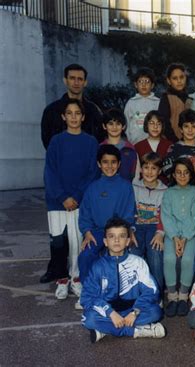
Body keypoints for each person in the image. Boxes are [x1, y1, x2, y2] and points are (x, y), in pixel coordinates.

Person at [41, 99, 99, 301]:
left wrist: (76, 197)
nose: (74, 117)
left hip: (79, 202)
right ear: (63, 117)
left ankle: (76, 278)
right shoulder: (56, 141)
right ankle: (61, 279)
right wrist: (63, 197)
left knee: (77, 242)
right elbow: (50, 172)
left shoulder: (91, 142)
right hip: (57, 202)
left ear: (83, 117)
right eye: (69, 113)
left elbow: (93, 172)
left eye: (77, 113)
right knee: (59, 242)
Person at [81, 217, 166, 343]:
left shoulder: (138, 263)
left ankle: (105, 330)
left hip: (132, 311)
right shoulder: (98, 266)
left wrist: (135, 312)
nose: (116, 240)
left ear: (127, 241)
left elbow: (151, 291)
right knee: (88, 319)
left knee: (155, 312)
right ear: (105, 241)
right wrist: (110, 312)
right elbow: (87, 297)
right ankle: (137, 331)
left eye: (121, 236)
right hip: (109, 313)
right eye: (111, 236)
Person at [78, 145, 136, 291]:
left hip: (118, 232)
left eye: (113, 162)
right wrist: (87, 232)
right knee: (85, 256)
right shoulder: (92, 188)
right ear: (99, 164)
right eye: (105, 162)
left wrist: (127, 231)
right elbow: (85, 213)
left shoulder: (126, 187)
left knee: (121, 255)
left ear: (119, 164)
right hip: (97, 231)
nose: (109, 166)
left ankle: (121, 291)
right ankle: (88, 293)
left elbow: (129, 213)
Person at [162, 158, 195, 317]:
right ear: (174, 174)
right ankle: (172, 296)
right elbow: (166, 216)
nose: (182, 176)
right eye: (179, 172)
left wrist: (184, 238)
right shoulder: (169, 192)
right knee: (169, 259)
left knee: (187, 260)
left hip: (190, 234)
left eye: (186, 173)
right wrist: (174, 237)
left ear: (191, 174)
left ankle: (184, 296)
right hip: (171, 235)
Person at [41, 64, 103, 148]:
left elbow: (100, 139)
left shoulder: (94, 111)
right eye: (72, 78)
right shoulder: (51, 110)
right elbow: (47, 141)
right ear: (65, 80)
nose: (76, 82)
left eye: (80, 79)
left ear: (85, 82)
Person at [131, 152, 167, 291]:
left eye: (154, 168)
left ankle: (156, 292)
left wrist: (160, 233)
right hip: (137, 228)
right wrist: (130, 230)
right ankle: (134, 292)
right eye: (146, 167)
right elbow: (129, 211)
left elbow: (165, 214)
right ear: (141, 169)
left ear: (159, 171)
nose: (149, 172)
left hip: (155, 227)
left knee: (155, 252)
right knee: (133, 253)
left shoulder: (165, 190)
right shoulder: (134, 188)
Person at [162, 109, 195, 190]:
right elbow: (168, 171)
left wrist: (180, 171)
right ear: (181, 129)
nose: (190, 130)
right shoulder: (173, 148)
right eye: (186, 126)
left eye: (193, 126)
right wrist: (193, 168)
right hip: (177, 194)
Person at [134, 110, 173, 185]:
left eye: (159, 124)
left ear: (163, 126)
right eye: (152, 123)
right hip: (143, 187)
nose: (155, 127)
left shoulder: (170, 145)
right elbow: (136, 173)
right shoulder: (138, 146)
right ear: (146, 125)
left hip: (165, 188)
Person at [124, 67, 160, 144]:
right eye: (140, 82)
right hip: (135, 142)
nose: (144, 85)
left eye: (147, 82)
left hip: (154, 143)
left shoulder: (157, 102)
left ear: (152, 85)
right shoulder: (131, 103)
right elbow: (126, 123)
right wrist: (130, 139)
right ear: (136, 84)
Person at [101, 108, 138, 182]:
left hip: (125, 190)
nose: (114, 127)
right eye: (110, 124)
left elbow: (134, 175)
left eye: (118, 124)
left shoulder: (131, 149)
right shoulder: (99, 148)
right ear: (104, 126)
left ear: (123, 126)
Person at [158, 63, 192, 142]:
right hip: (171, 143)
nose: (179, 81)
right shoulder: (166, 98)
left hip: (190, 142)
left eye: (181, 77)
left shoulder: (190, 98)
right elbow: (164, 123)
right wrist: (177, 141)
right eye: (175, 78)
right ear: (169, 81)